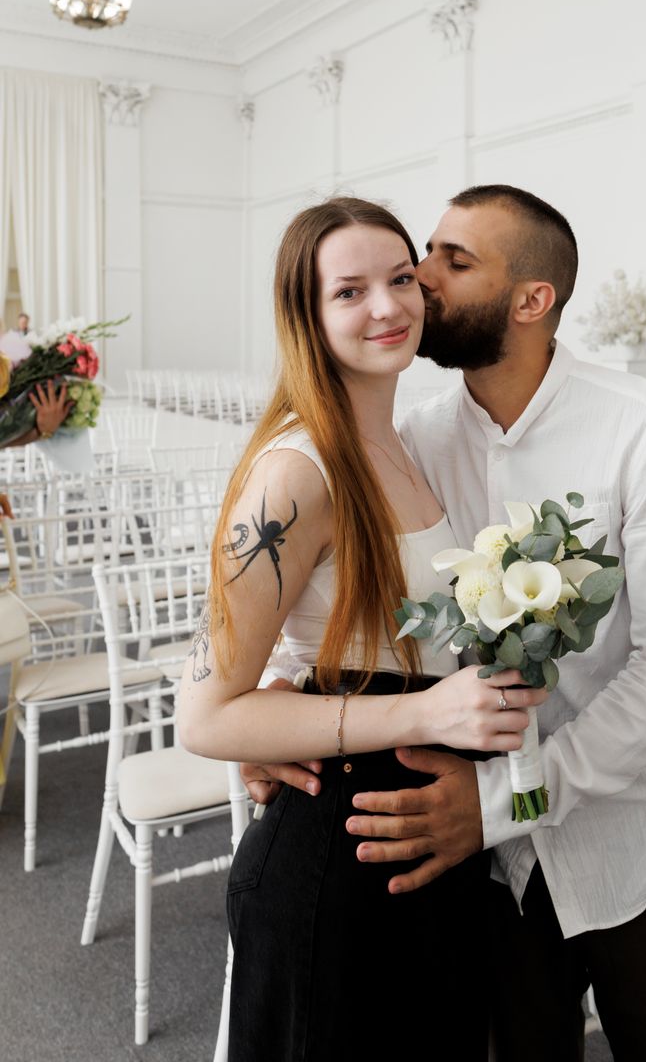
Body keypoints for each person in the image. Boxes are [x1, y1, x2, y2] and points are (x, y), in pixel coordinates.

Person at [246, 185, 646, 1062]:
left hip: (638, 834)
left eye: (453, 260)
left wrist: (504, 804)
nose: (421, 278)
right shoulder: (413, 440)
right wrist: (275, 699)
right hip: (481, 865)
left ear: (530, 300)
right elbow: (347, 596)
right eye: (426, 252)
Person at [177, 197, 545, 1062]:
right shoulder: (296, 471)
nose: (387, 306)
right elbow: (204, 715)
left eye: (401, 278)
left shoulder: (405, 444)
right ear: (306, 314)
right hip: (335, 861)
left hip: (425, 839)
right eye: (349, 291)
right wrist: (424, 713)